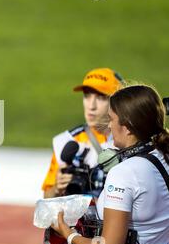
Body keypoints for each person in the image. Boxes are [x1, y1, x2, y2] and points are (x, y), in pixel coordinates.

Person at [52, 84, 169, 244]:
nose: (109, 125)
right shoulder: (163, 156)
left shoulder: (124, 173)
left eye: (112, 119)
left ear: (128, 127)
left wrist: (68, 234)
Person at [42, 68, 124, 198]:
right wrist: (57, 188)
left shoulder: (131, 139)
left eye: (101, 97)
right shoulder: (65, 141)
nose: (91, 106)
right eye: (87, 96)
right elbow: (47, 197)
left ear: (118, 103)